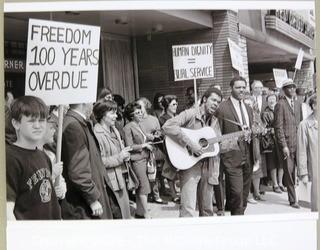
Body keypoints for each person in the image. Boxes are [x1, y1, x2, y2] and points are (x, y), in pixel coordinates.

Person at [162, 87, 223, 217]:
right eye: (213, 100)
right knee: (188, 209)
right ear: (205, 99)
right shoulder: (190, 114)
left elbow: (217, 144)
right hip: (190, 165)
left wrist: (238, 138)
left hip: (209, 166)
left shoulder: (215, 121)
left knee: (207, 210)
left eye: (218, 102)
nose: (216, 104)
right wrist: (191, 144)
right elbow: (168, 126)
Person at [6, 96, 61, 220]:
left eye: (42, 120)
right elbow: (6, 208)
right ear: (16, 124)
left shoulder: (43, 156)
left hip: (50, 233)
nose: (38, 126)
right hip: (28, 236)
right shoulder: (9, 158)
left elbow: (50, 202)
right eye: (31, 121)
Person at [61, 103, 113, 219]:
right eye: (92, 102)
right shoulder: (73, 125)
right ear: (84, 102)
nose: (92, 105)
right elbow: (78, 171)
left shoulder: (77, 122)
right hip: (83, 203)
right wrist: (92, 198)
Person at [215, 76, 254, 216]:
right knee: (236, 195)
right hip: (231, 159)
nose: (241, 90)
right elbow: (217, 136)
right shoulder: (222, 108)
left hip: (248, 158)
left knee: (243, 196)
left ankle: (239, 219)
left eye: (243, 87)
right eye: (238, 87)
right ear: (231, 89)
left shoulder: (249, 109)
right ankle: (237, 223)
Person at [93, 100, 131, 219]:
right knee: (118, 215)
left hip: (120, 178)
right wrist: (120, 157)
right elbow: (100, 161)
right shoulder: (97, 133)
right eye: (112, 113)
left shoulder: (114, 129)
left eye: (116, 112)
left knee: (124, 214)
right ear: (102, 115)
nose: (116, 116)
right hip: (110, 182)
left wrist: (125, 155)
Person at [273, 78, 302, 209]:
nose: (292, 89)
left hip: (298, 143)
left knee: (298, 171)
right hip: (287, 145)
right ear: (284, 90)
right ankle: (293, 199)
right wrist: (283, 145)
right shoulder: (280, 104)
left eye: (293, 87)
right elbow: (278, 127)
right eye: (289, 87)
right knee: (289, 172)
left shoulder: (297, 104)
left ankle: (299, 196)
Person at [123, 102, 153, 218]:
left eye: (141, 112)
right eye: (138, 112)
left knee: (141, 186)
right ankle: (146, 214)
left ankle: (139, 212)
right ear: (131, 115)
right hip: (137, 161)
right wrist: (144, 146)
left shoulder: (139, 125)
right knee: (144, 187)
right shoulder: (128, 127)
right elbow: (129, 146)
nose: (141, 114)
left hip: (144, 159)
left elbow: (142, 139)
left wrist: (149, 139)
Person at [136, 97, 168, 204]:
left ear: (146, 106)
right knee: (145, 175)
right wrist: (145, 137)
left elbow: (160, 134)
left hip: (153, 150)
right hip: (142, 150)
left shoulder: (154, 119)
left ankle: (156, 195)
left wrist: (155, 136)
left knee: (154, 174)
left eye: (140, 106)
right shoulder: (136, 120)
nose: (138, 108)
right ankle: (149, 194)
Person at [297, 94, 317, 211]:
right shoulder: (304, 125)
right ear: (314, 106)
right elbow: (302, 151)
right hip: (314, 170)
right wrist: (303, 173)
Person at [261, 94, 284, 193]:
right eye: (270, 99)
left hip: (281, 140)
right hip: (271, 141)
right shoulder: (265, 113)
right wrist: (271, 130)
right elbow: (263, 128)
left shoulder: (280, 110)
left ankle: (281, 183)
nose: (272, 101)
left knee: (281, 163)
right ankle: (275, 184)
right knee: (273, 163)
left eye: (273, 99)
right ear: (267, 101)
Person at [159, 95, 180, 202]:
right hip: (170, 147)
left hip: (180, 145)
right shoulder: (162, 119)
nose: (176, 106)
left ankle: (179, 191)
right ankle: (173, 193)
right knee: (170, 171)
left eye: (176, 104)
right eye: (173, 104)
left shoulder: (178, 116)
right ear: (167, 106)